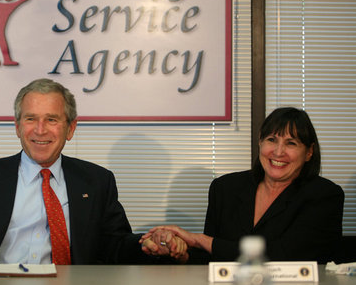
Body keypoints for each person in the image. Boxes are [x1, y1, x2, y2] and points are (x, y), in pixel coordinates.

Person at [0, 78, 184, 268]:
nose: (40, 130)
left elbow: (114, 244)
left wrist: (147, 244)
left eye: (52, 120)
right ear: (18, 126)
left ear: (70, 128)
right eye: (31, 119)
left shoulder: (96, 181)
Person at [142, 107, 344, 264]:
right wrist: (178, 252)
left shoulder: (325, 196)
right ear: (260, 143)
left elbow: (284, 255)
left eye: (291, 143)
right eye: (271, 140)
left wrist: (200, 240)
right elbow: (211, 260)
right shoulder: (225, 188)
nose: (278, 152)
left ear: (309, 152)